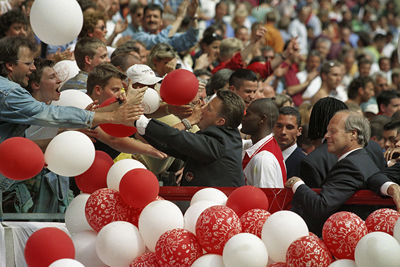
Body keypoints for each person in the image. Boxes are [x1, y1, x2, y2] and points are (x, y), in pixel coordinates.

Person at [0, 36, 143, 213]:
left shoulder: (12, 91)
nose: (33, 68)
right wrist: (113, 116)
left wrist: (111, 110)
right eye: (28, 63)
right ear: (10, 65)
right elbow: (50, 115)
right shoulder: (9, 93)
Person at [286, 110, 400, 235]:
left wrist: (297, 184)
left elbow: (321, 206)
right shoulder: (362, 158)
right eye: (327, 131)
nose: (326, 136)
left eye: (333, 131)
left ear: (353, 134)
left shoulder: (350, 166)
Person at [135, 89, 245, 187]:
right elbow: (170, 145)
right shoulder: (224, 136)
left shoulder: (219, 143)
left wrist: (140, 120)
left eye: (209, 108)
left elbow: (177, 138)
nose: (202, 108)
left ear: (220, 121)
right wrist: (140, 130)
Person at [241, 98, 286, 187]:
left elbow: (265, 199)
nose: (243, 117)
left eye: (248, 114)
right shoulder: (265, 146)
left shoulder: (263, 159)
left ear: (262, 119)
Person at [131, 2, 199, 52]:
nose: (152, 19)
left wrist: (193, 17)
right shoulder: (138, 37)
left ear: (161, 21)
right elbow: (159, 41)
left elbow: (190, 39)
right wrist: (179, 18)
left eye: (155, 16)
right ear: (143, 20)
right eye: (148, 16)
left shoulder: (169, 37)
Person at [273, 106, 305, 178]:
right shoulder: (266, 155)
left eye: (289, 127)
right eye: (279, 126)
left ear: (299, 131)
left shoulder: (304, 163)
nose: (283, 132)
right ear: (273, 127)